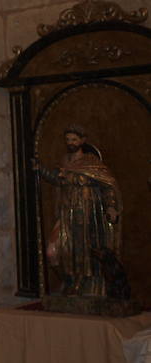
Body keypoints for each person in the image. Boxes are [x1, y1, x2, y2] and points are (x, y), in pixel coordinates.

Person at [35, 125, 121, 297]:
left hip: (87, 215)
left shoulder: (92, 163)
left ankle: (82, 283)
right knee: (52, 250)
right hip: (66, 214)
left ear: (82, 141)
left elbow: (107, 186)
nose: (70, 143)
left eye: (74, 139)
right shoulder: (64, 162)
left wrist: (111, 206)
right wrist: (40, 169)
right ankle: (68, 280)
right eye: (67, 140)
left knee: (83, 249)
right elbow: (57, 180)